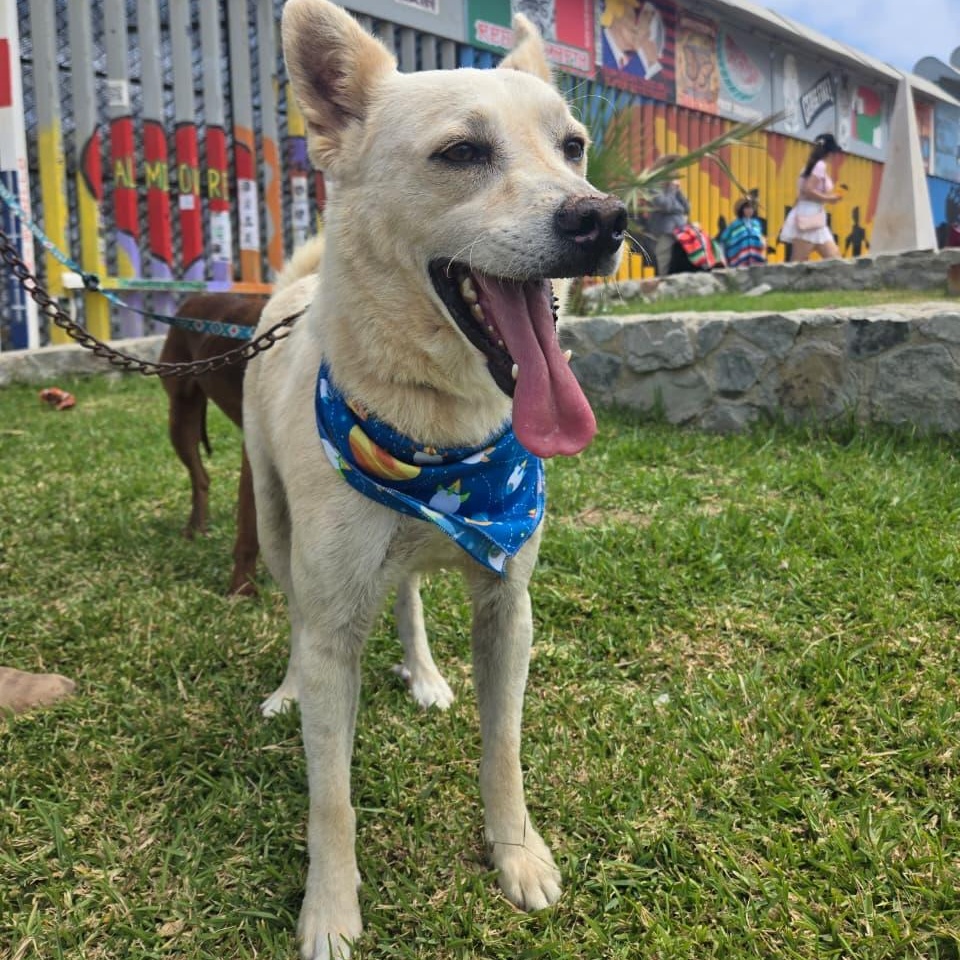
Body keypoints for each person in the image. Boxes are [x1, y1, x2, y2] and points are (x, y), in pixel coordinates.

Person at [779, 132, 844, 262]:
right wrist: (829, 199)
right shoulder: (820, 165)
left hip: (813, 217)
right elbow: (808, 189)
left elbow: (802, 193)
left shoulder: (811, 166)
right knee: (798, 263)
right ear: (829, 152)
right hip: (810, 217)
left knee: (835, 259)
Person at [645, 156, 690, 276]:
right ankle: (662, 285)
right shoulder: (653, 185)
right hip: (664, 230)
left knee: (680, 258)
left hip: (680, 229)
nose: (674, 171)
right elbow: (665, 205)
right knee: (664, 260)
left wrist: (677, 190)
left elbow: (686, 207)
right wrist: (671, 189)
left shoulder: (673, 187)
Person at [600, 0, 666, 80]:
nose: (638, 27)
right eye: (632, 17)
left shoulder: (627, 59)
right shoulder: (598, 46)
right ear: (614, 17)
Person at [719, 196, 767, 267]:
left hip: (756, 261)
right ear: (741, 210)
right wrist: (723, 259)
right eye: (747, 208)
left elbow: (760, 239)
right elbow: (723, 240)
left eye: (751, 208)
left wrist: (762, 243)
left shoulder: (756, 224)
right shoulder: (735, 225)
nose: (749, 210)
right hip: (739, 262)